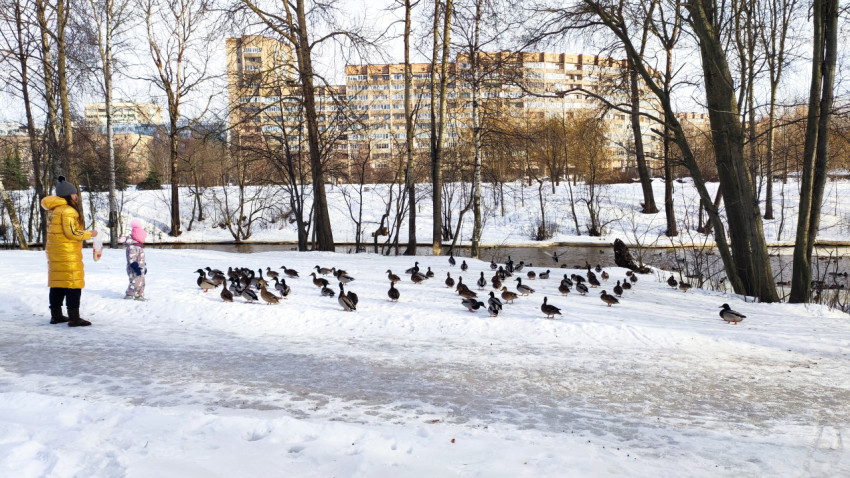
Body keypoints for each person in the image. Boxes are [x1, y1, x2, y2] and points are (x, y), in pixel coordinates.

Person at [41, 176, 98, 327]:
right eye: (74, 194)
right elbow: (71, 233)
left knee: (58, 283)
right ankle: (74, 318)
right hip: (67, 252)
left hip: (55, 251)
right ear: (68, 195)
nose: (76, 196)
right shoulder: (68, 211)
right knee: (73, 283)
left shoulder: (54, 210)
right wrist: (89, 234)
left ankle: (56, 316)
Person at [120, 220, 147, 300]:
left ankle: (139, 295)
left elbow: (141, 258)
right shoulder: (132, 247)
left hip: (140, 268)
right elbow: (132, 258)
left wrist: (144, 266)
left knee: (142, 282)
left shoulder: (139, 246)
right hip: (133, 268)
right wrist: (136, 268)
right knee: (135, 282)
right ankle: (129, 294)